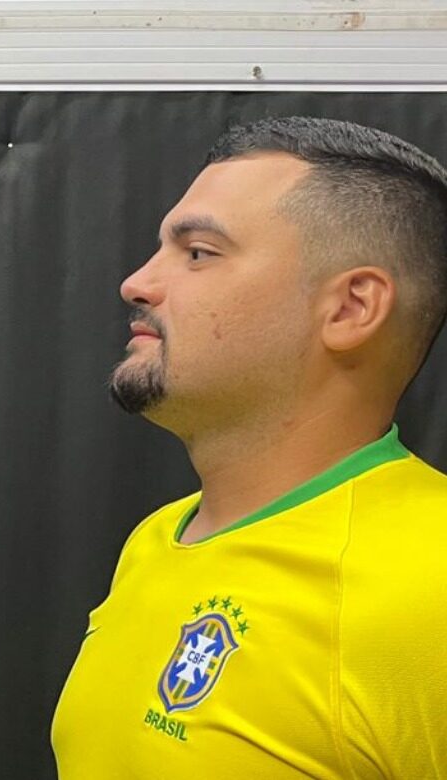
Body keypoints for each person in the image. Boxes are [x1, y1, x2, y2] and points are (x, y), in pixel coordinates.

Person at [51, 116, 447, 777]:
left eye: (198, 253)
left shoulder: (431, 579)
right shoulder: (157, 540)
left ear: (351, 308)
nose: (137, 283)